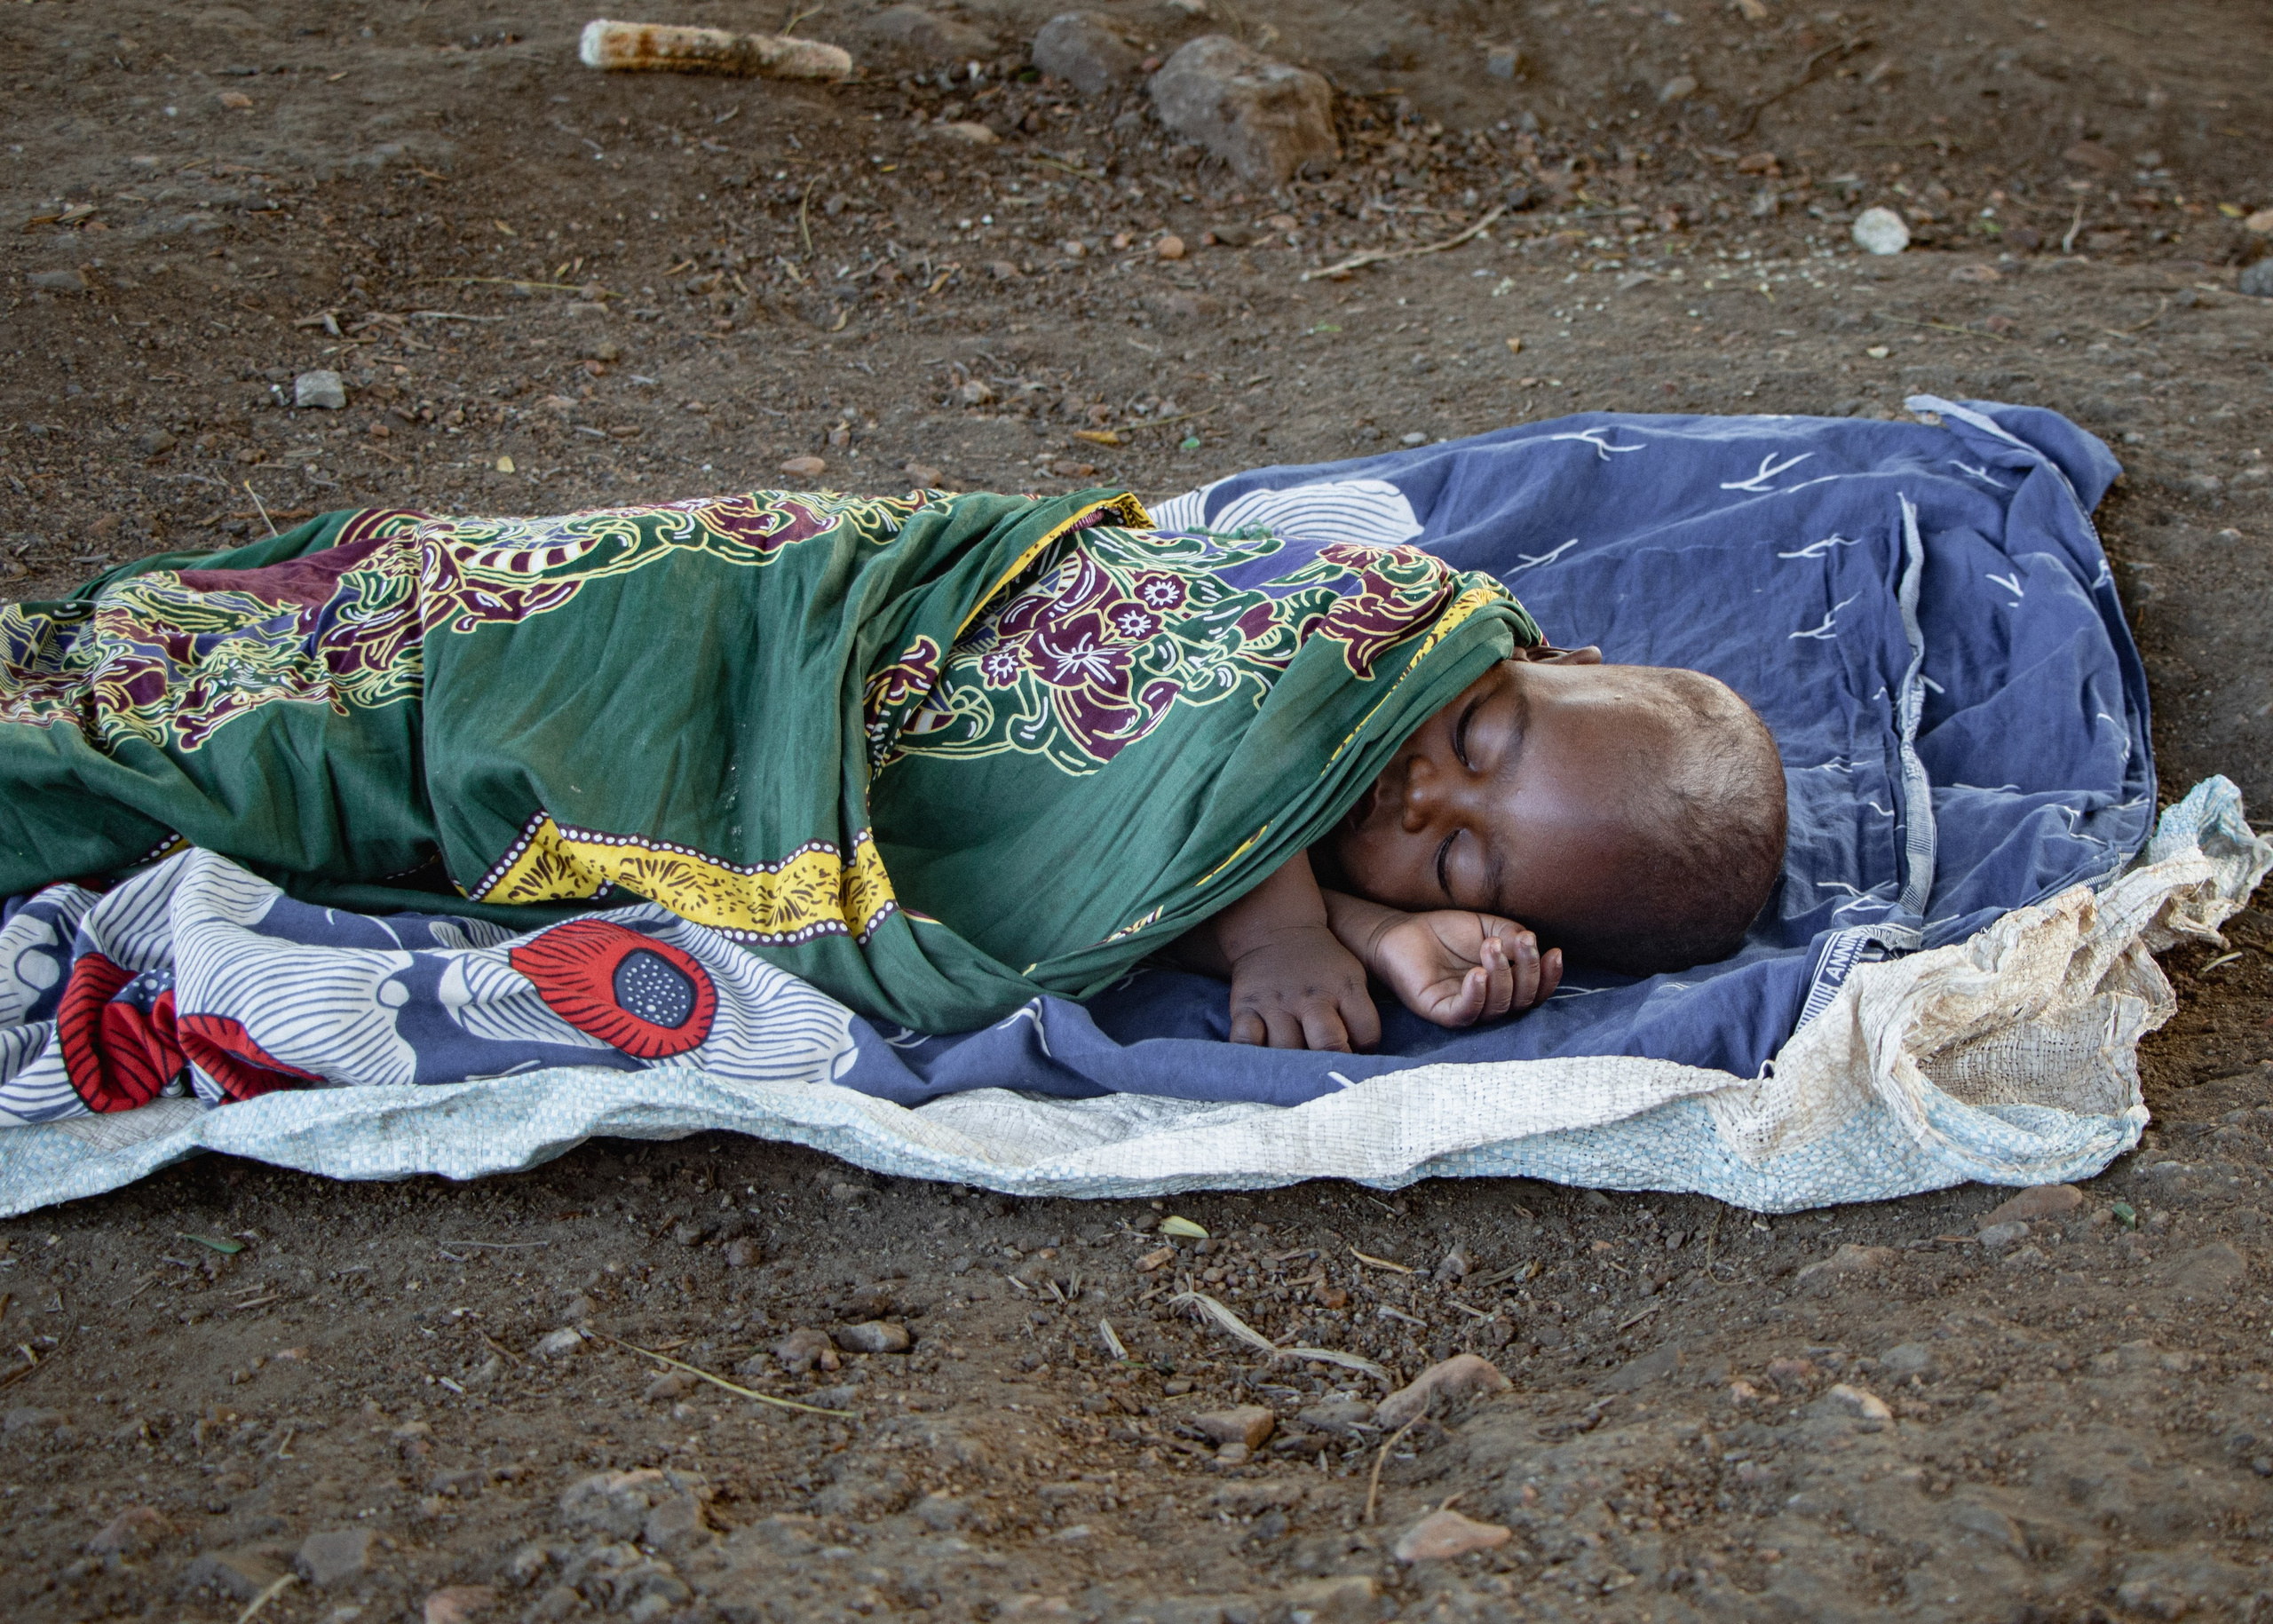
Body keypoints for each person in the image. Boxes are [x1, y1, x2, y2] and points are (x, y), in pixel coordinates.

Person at [0, 484, 1785, 1051]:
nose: (1414, 795)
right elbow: (1204, 701)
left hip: (817, 753)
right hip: (777, 617)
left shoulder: (1331, 849)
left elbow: (1110, 847)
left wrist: (1370, 936)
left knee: (387, 779)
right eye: (1480, 740)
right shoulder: (1383, 615)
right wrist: (1291, 933)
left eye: (1461, 859)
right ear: (1545, 660)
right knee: (440, 671)